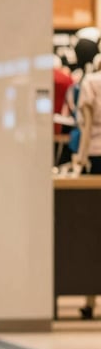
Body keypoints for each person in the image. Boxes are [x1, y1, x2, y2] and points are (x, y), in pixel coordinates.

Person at [73, 53, 101, 319]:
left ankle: (90, 299)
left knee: (93, 228)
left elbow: (88, 123)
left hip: (95, 156)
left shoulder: (91, 82)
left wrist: (80, 158)